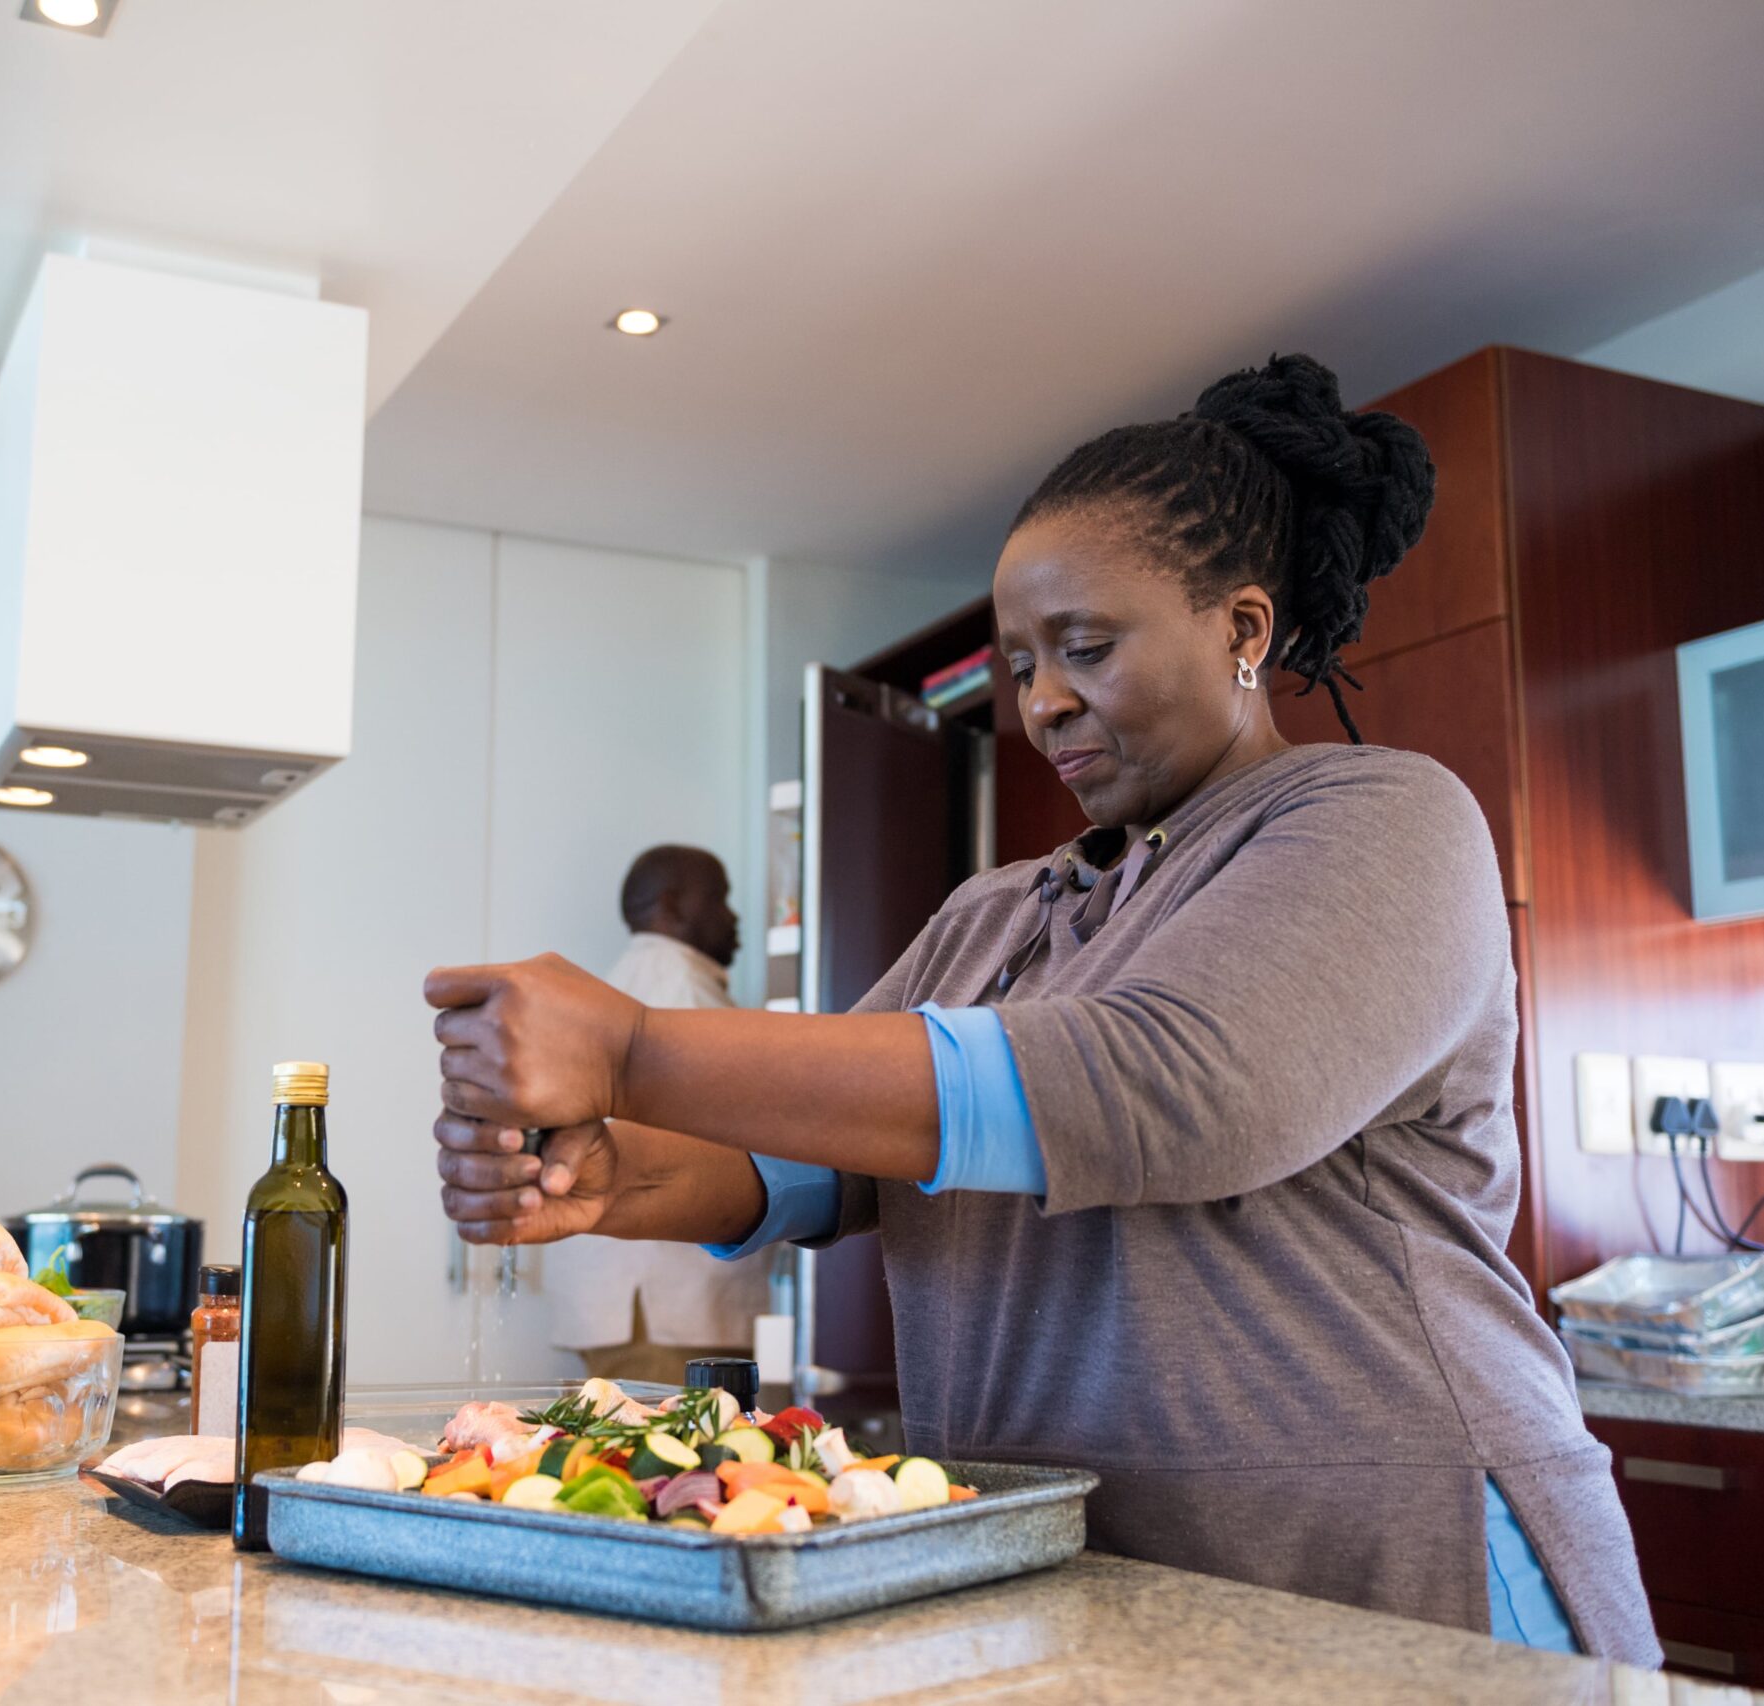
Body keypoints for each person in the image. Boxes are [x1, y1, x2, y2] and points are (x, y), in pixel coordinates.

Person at [425, 354, 1661, 1664]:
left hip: (1389, 1563)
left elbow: (1169, 1084)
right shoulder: (992, 913)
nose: (1043, 701)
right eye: (1021, 663)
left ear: (1244, 630)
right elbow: (806, 1158)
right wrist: (614, 1177)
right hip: (1070, 1572)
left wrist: (634, 1047)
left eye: (1085, 647)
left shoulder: (1380, 824)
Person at [542, 846, 772, 1385]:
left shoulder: (608, 991)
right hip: (665, 1305)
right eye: (719, 898)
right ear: (670, 906)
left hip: (628, 1300)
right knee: (674, 1459)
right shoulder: (681, 993)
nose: (733, 917)